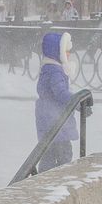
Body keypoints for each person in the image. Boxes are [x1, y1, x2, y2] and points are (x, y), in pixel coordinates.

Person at [35, 32, 78, 172]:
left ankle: (43, 180)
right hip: (56, 123)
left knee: (48, 155)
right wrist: (76, 102)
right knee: (63, 156)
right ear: (57, 52)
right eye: (66, 51)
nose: (69, 54)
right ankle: (59, 182)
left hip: (49, 120)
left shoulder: (49, 69)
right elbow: (60, 93)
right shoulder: (55, 72)